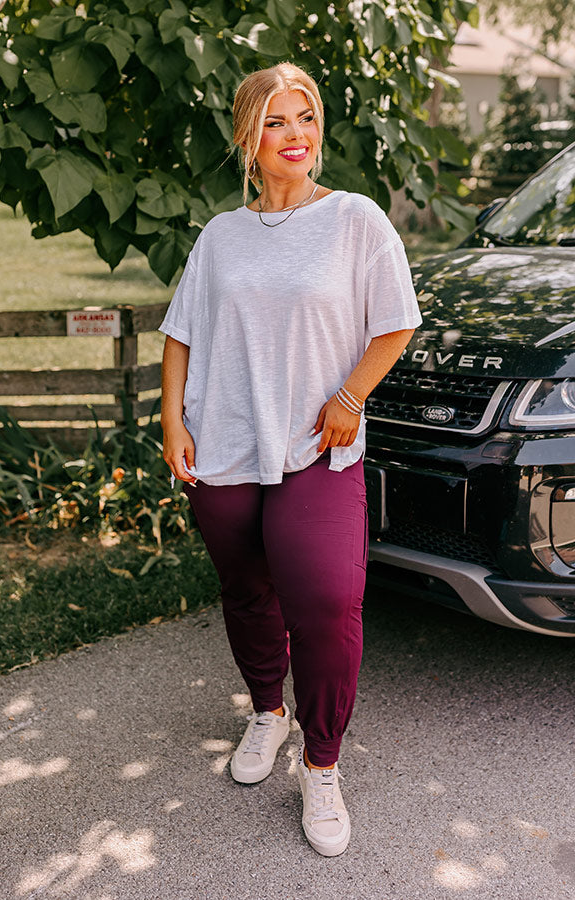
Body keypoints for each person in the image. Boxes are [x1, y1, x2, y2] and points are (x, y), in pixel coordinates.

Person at [159, 62, 422, 857]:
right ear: (249, 136)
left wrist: (350, 398)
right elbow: (181, 334)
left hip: (316, 445)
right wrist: (172, 421)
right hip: (225, 443)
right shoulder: (220, 235)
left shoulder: (354, 219)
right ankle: (267, 713)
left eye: (306, 117)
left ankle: (321, 763)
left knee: (329, 603)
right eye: (276, 120)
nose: (295, 134)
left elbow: (396, 322)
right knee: (247, 591)